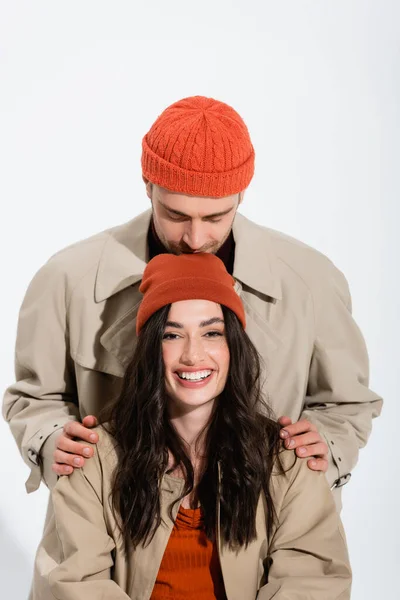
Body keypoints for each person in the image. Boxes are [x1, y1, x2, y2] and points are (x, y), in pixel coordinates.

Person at [3, 96, 381, 508]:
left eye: (216, 217)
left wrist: (326, 444)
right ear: (148, 185)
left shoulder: (312, 281)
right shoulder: (66, 279)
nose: (196, 240)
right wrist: (50, 438)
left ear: (241, 195)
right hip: (113, 534)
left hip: (262, 537)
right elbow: (33, 398)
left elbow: (346, 404)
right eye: (177, 215)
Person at [31, 253, 351, 599]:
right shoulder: (92, 461)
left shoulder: (287, 461)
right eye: (172, 335)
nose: (193, 355)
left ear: (234, 348)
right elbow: (74, 585)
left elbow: (311, 582)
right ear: (151, 350)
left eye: (212, 333)